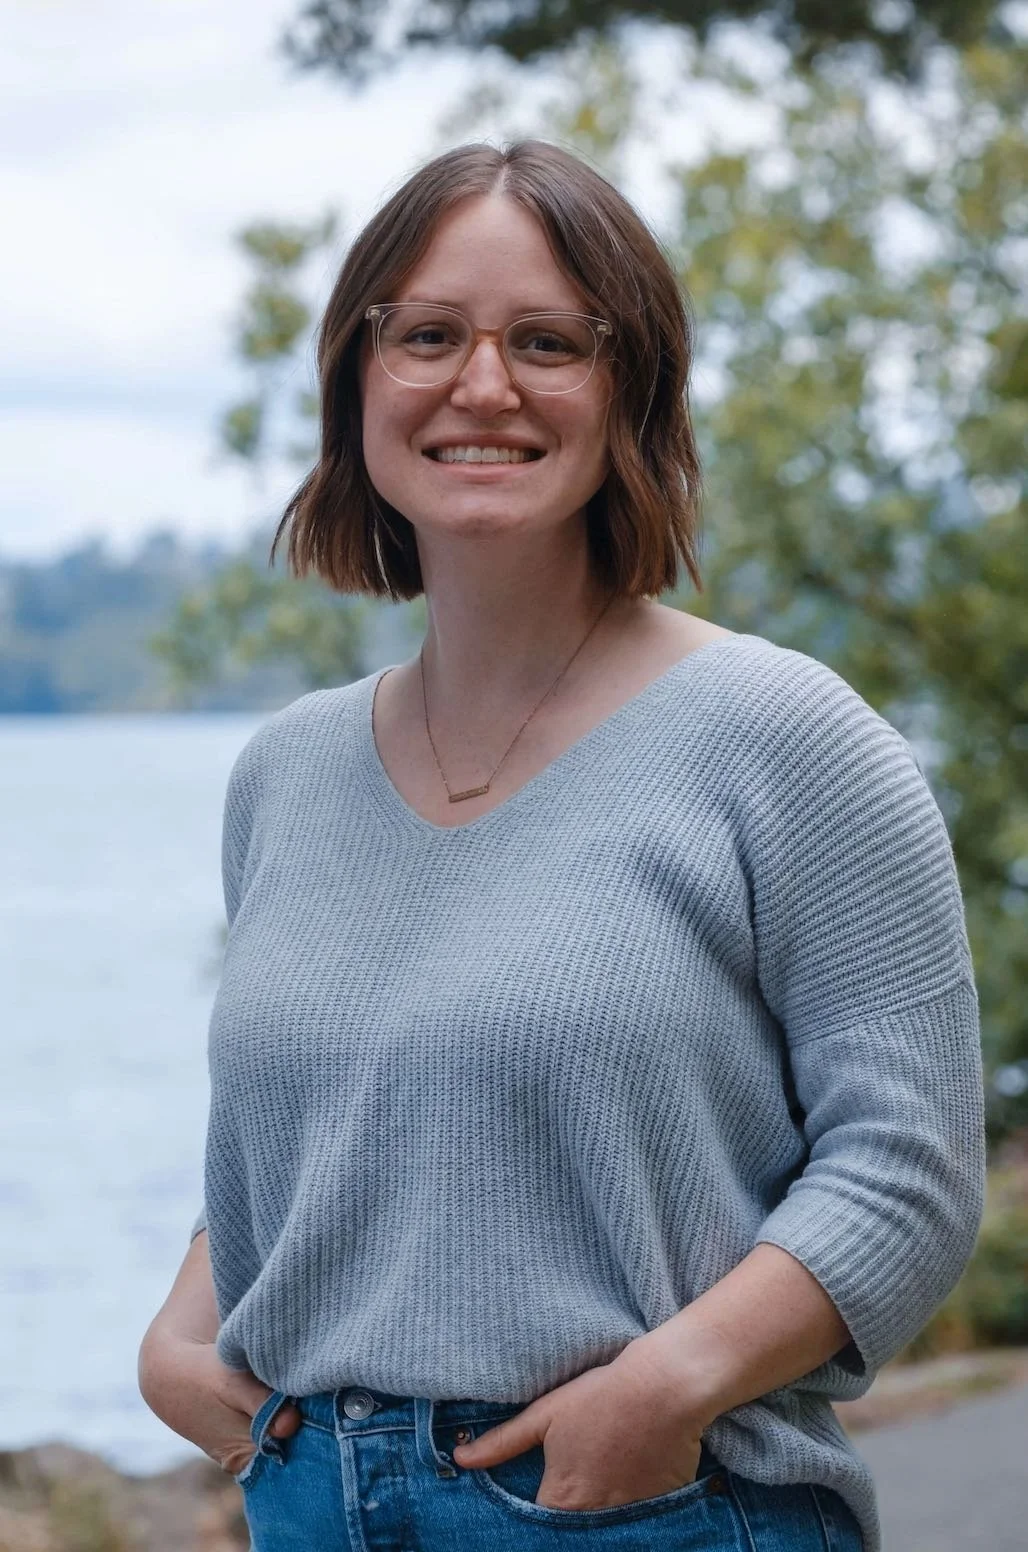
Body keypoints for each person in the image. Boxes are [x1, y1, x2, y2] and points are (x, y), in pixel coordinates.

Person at [138, 140, 985, 1552]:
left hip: (644, 1509)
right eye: (427, 336)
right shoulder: (283, 772)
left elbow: (911, 1167)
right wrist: (185, 1333)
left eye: (547, 341)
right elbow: (345, 1122)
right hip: (308, 1507)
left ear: (631, 389)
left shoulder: (790, 739)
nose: (482, 385)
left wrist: (663, 1391)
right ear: (357, 384)